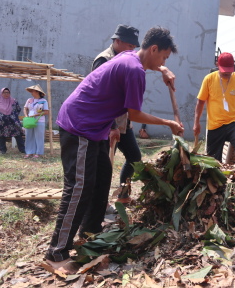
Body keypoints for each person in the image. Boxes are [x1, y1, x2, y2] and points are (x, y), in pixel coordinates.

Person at [45, 26, 183, 273]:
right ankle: (56, 252)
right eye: (163, 57)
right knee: (79, 187)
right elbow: (134, 114)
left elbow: (146, 65)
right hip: (80, 126)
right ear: (153, 49)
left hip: (95, 130)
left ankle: (90, 234)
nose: (163, 62)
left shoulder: (130, 57)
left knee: (101, 180)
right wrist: (167, 123)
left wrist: (162, 68)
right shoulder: (134, 71)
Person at [93, 24, 173, 202]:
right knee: (104, 165)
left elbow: (147, 59)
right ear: (117, 41)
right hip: (106, 122)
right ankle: (99, 203)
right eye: (129, 46)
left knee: (134, 157)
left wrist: (163, 69)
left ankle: (123, 194)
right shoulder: (105, 60)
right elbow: (102, 98)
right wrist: (111, 126)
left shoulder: (130, 59)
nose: (133, 50)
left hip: (124, 120)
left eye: (134, 47)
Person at [193, 52, 235, 164]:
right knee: (212, 160)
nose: (227, 74)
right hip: (215, 125)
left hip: (234, 122)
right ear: (217, 65)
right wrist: (196, 123)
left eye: (229, 71)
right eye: (224, 71)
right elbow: (200, 102)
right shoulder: (209, 79)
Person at [0, 87, 25, 154]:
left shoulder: (14, 101)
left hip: (13, 122)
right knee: (1, 136)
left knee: (18, 135)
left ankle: (22, 149)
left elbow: (18, 109)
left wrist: (13, 116)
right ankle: (3, 150)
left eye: (8, 92)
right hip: (1, 123)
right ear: (1, 93)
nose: (6, 94)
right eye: (4, 92)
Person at [23, 84, 49, 158]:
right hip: (29, 120)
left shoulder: (44, 101)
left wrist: (36, 115)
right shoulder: (29, 100)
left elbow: (46, 112)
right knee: (28, 136)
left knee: (39, 137)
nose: (31, 93)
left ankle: (38, 152)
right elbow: (25, 108)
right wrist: (26, 115)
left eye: (33, 91)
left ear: (37, 92)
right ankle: (29, 152)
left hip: (39, 120)